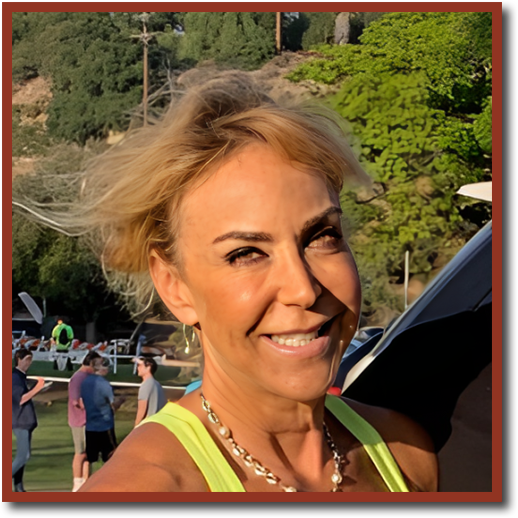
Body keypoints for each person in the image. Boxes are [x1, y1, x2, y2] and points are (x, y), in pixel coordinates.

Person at [46, 71, 437, 492]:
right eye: (245, 254)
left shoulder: (409, 455)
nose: (303, 289)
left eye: (322, 236)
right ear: (175, 286)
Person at [80, 357, 125, 474]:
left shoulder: (85, 383)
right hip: (105, 425)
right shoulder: (104, 384)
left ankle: (85, 483)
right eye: (106, 367)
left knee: (89, 458)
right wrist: (121, 400)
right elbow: (113, 405)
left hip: (90, 426)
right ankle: (110, 483)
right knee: (110, 456)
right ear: (101, 369)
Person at [12, 348, 46, 492]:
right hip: (20, 421)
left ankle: (19, 488)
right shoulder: (14, 377)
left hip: (25, 421)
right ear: (19, 359)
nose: (29, 363)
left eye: (30, 360)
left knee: (23, 458)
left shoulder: (21, 377)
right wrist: (38, 387)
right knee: (23, 456)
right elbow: (19, 399)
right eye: (27, 360)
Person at [67, 350, 101, 492]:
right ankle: (77, 483)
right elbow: (76, 401)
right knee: (80, 453)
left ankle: (87, 483)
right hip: (80, 421)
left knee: (89, 454)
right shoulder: (78, 378)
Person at [134, 357, 167, 427]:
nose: (138, 368)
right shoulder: (157, 384)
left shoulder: (146, 385)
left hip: (147, 425)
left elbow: (142, 409)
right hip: (158, 423)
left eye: (140, 365)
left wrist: (136, 426)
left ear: (148, 367)